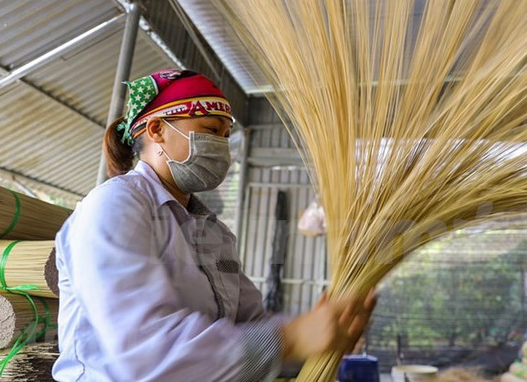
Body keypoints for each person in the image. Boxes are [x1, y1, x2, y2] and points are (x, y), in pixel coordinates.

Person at [53, 69, 375, 381]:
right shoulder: (114, 207)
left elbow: (250, 323)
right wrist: (292, 339)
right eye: (210, 130)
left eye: (225, 135)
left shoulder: (213, 233)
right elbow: (146, 356)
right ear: (156, 130)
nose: (222, 146)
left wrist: (322, 331)